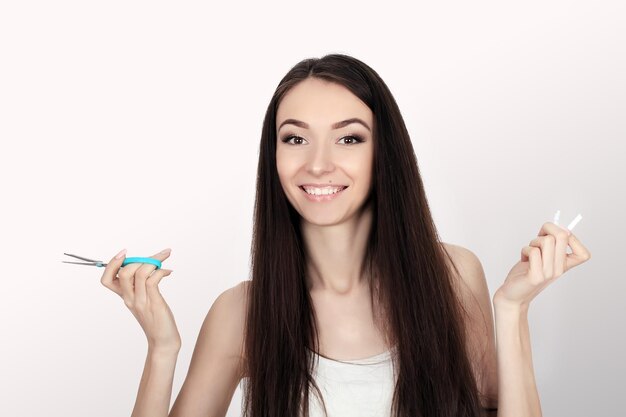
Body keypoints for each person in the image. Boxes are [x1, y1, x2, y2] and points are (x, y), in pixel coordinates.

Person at [100, 53, 592, 417]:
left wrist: (513, 309)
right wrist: (162, 347)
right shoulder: (242, 312)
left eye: (349, 138)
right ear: (273, 157)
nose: (317, 164)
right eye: (294, 138)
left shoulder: (454, 276)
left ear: (385, 154)